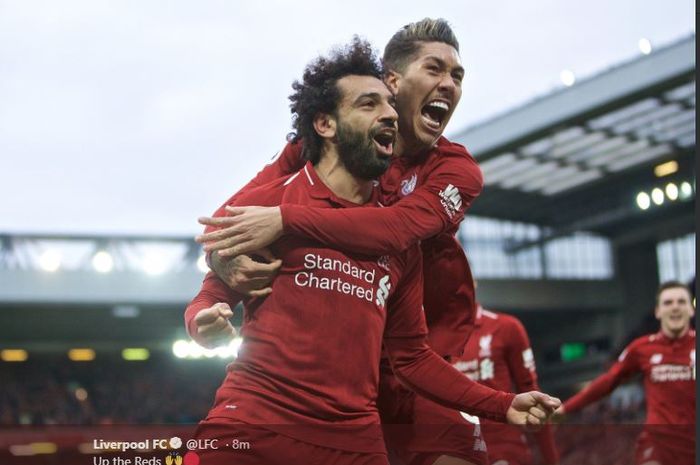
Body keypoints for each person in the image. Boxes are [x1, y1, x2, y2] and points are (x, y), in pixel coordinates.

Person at [187, 38, 560, 465]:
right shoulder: (296, 171)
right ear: (395, 81)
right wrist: (221, 270)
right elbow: (221, 230)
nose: (448, 84)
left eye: (457, 76)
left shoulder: (451, 173)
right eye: (434, 69)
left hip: (399, 376)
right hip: (259, 419)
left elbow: (395, 234)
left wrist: (501, 404)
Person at [553, 281, 695, 465]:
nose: (675, 307)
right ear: (658, 311)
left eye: (681, 302)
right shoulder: (641, 348)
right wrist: (567, 407)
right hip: (657, 443)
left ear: (691, 309)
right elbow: (608, 381)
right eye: (668, 303)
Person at [452, 298, 559, 465]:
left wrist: (551, 460)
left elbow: (533, 396)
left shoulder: (505, 328)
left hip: (502, 448)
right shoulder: (429, 339)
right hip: (455, 450)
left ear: (473, 282)